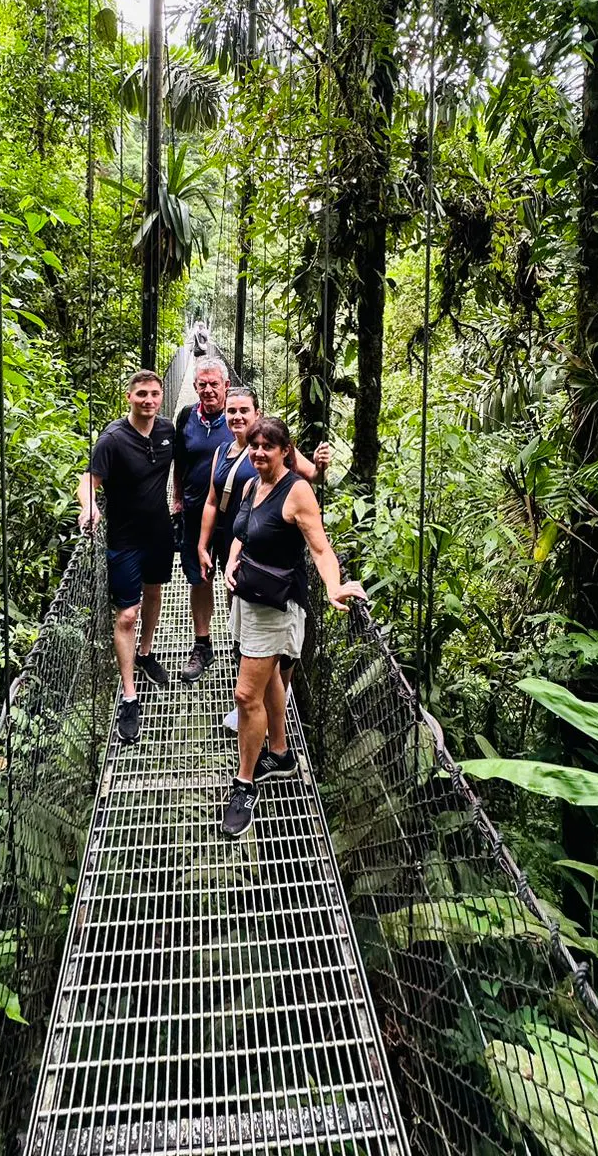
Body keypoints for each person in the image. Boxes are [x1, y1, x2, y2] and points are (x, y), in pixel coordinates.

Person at [220, 416, 365, 839]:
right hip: (249, 597)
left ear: (286, 451)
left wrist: (334, 586)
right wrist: (232, 559)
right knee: (267, 682)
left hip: (276, 607)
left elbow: (320, 547)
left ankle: (245, 784)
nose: (259, 453)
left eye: (268, 446)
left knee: (245, 695)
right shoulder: (251, 485)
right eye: (254, 446)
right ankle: (281, 755)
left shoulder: (297, 490)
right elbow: (244, 531)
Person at [197, 386, 330, 732]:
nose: (237, 416)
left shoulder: (284, 466)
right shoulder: (233, 463)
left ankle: (267, 716)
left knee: (270, 659)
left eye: (244, 410)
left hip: (278, 581)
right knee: (253, 648)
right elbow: (224, 511)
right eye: (232, 411)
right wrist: (215, 551)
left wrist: (334, 585)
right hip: (246, 568)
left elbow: (319, 542)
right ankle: (270, 725)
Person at [76, 369, 175, 746]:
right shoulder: (112, 439)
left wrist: (181, 497)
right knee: (127, 614)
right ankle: (129, 697)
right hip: (125, 538)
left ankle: (145, 653)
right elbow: (88, 480)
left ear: (162, 397)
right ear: (129, 397)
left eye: (154, 394)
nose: (148, 400)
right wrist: (89, 507)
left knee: (154, 592)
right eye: (141, 394)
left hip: (159, 532)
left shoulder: (167, 430)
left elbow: (183, 467)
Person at [171, 355, 231, 683]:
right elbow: (179, 462)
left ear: (227, 386)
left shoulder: (239, 418)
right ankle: (202, 645)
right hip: (195, 515)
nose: (208, 390)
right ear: (194, 386)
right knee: (200, 579)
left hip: (234, 518)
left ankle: (241, 643)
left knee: (236, 580)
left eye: (214, 384)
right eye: (202, 384)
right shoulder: (186, 417)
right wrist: (177, 499)